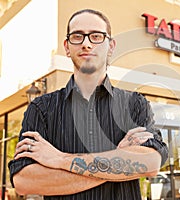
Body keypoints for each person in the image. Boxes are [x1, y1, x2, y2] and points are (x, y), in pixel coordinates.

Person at [8, 9, 168, 200]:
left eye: (96, 36)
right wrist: (121, 158)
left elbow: (150, 162)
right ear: (67, 47)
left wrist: (59, 159)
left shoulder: (135, 104)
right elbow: (25, 181)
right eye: (77, 36)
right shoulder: (42, 108)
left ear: (111, 46)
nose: (86, 43)